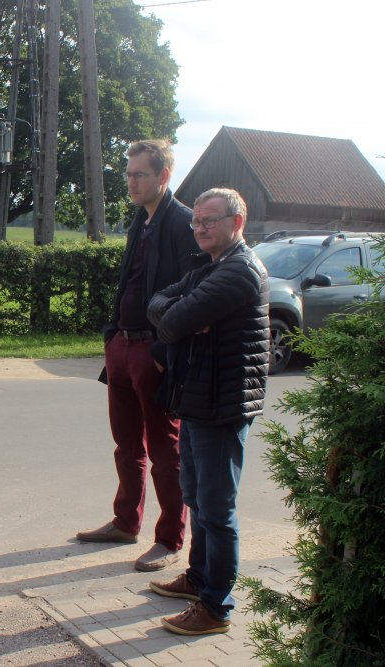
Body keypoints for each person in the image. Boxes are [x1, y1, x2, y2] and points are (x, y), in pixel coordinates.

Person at [146, 187, 269, 635]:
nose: (199, 228)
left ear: (237, 222)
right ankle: (198, 579)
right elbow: (156, 303)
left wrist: (178, 317)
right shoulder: (209, 266)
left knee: (217, 510)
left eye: (209, 220)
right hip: (199, 398)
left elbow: (173, 322)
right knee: (196, 498)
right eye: (196, 221)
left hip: (222, 404)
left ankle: (216, 607)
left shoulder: (240, 270)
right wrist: (177, 315)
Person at [76, 139, 198, 572]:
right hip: (123, 347)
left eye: (139, 174)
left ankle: (169, 539)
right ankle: (126, 523)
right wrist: (112, 336)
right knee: (126, 445)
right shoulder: (140, 220)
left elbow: (191, 294)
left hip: (153, 350)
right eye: (128, 174)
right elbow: (128, 282)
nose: (131, 182)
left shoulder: (183, 222)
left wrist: (163, 351)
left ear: (163, 175)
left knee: (166, 452)